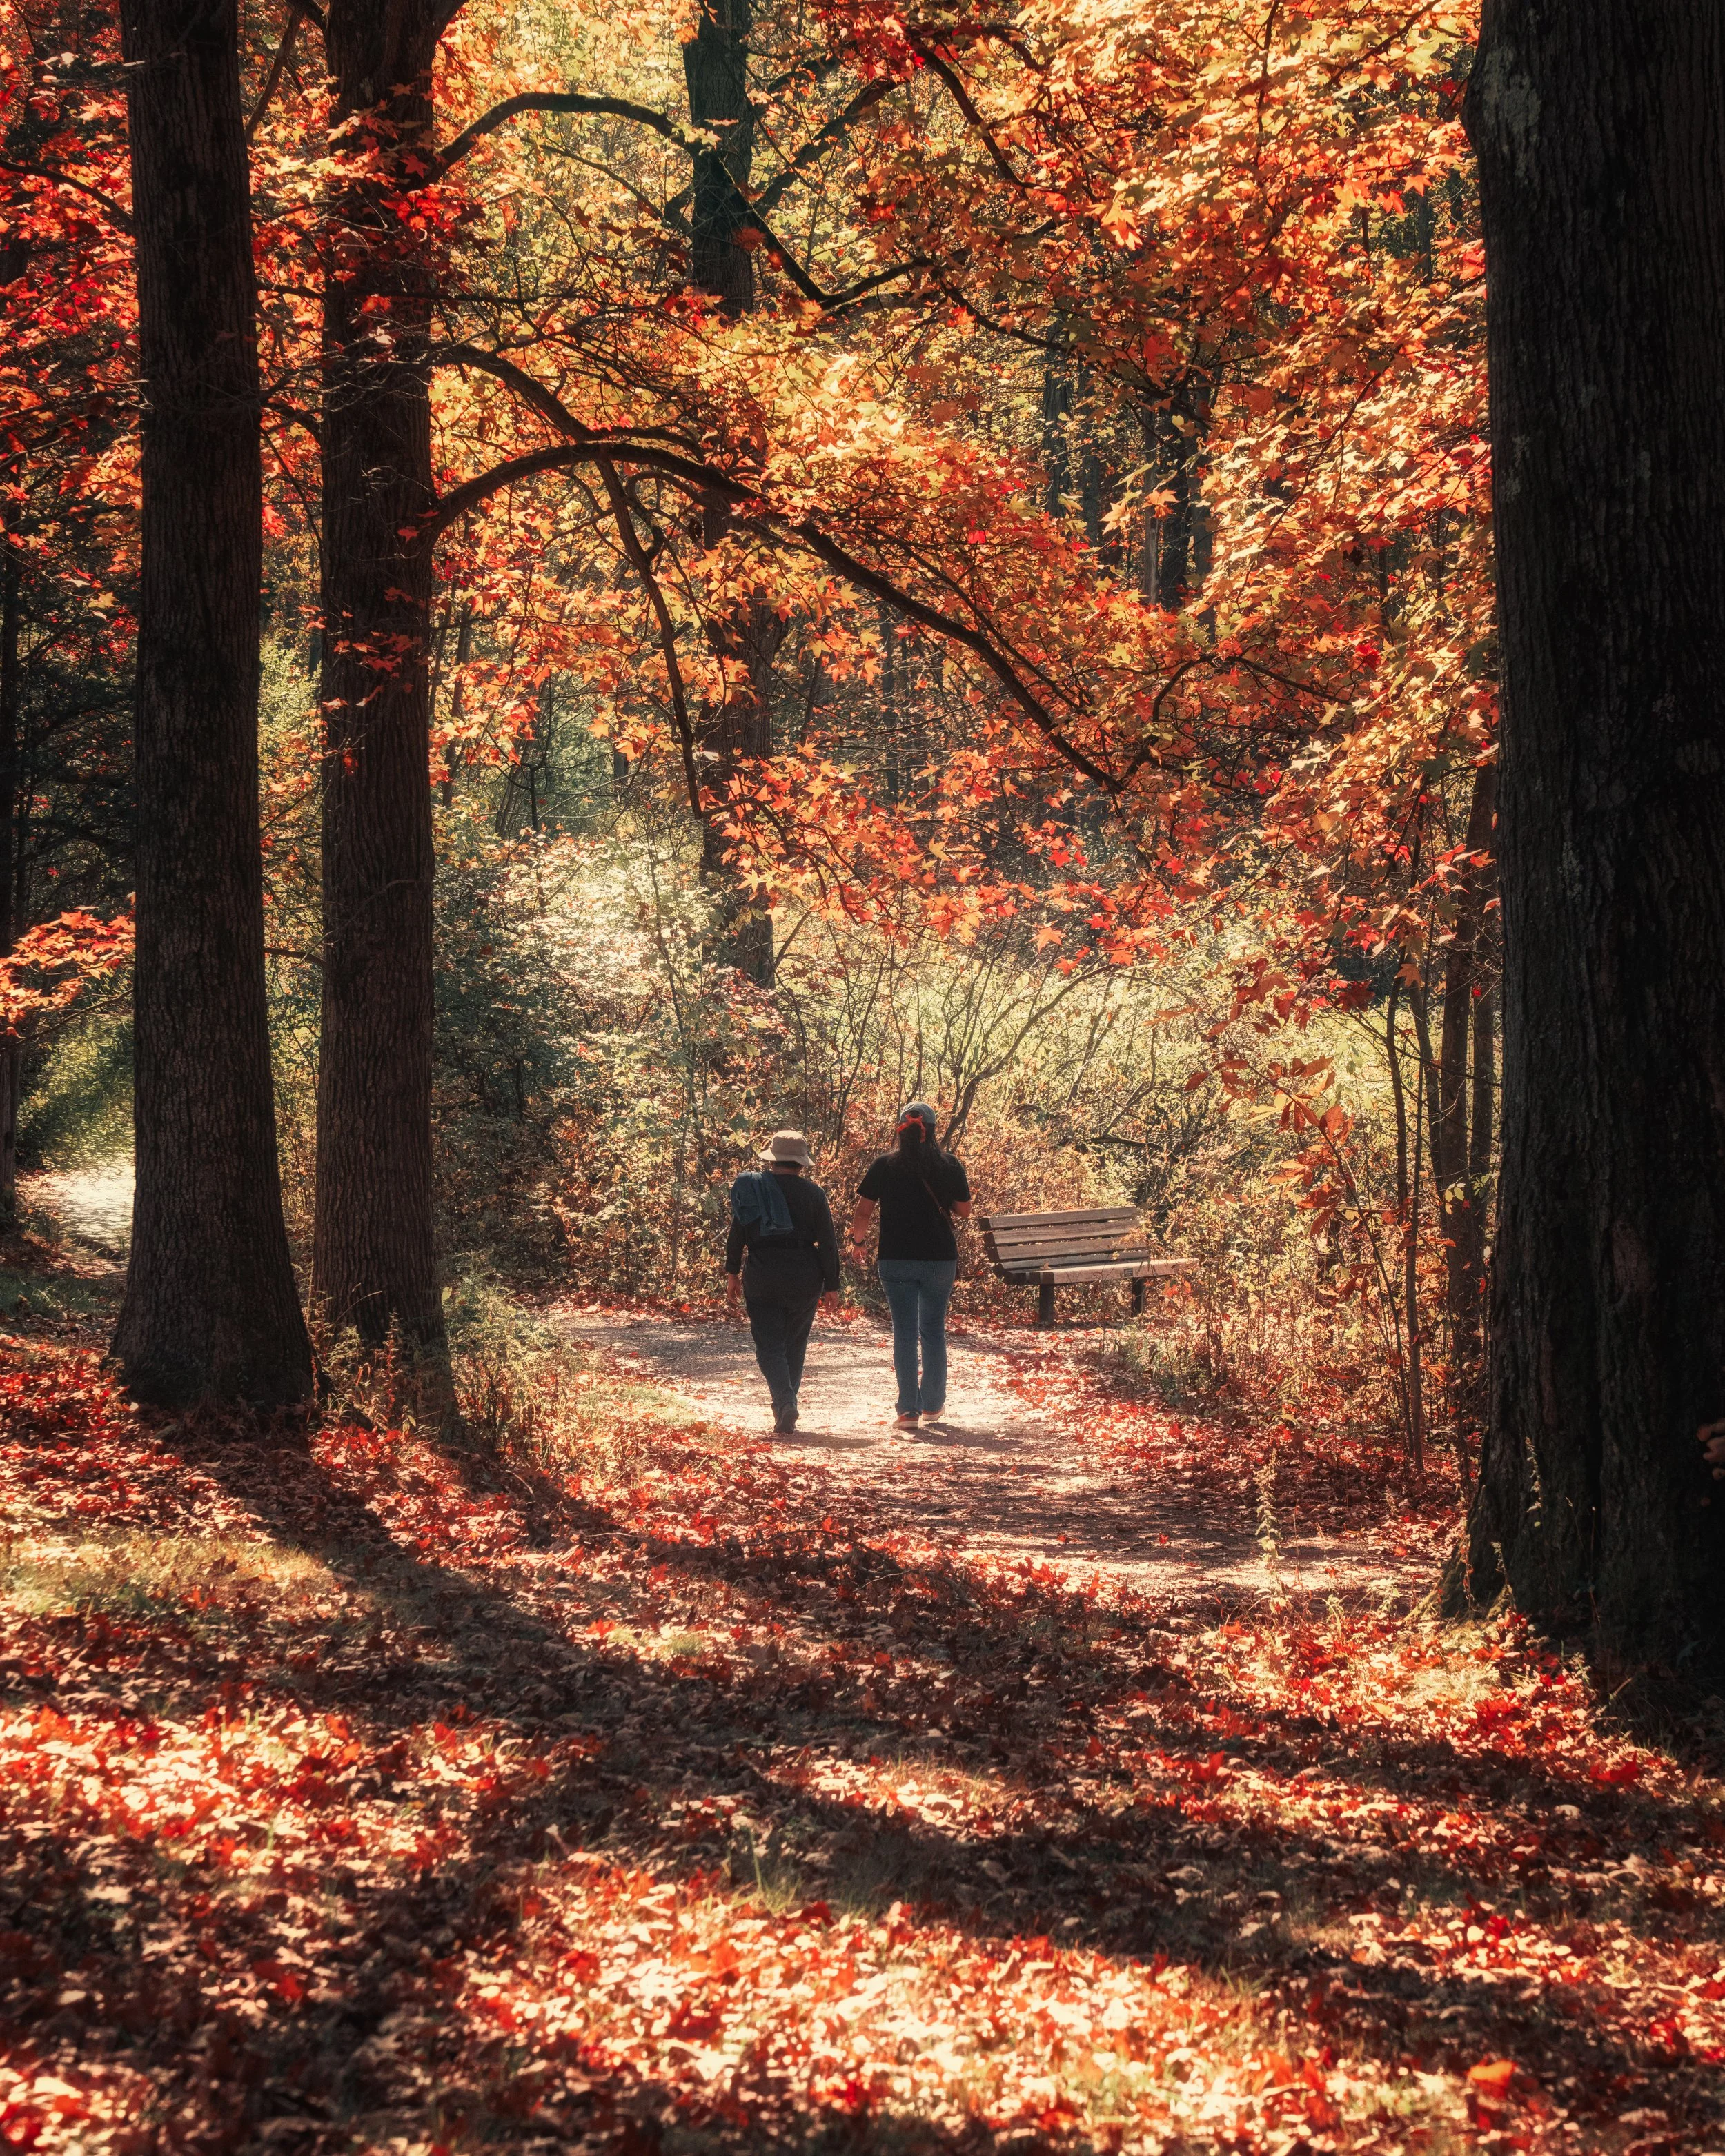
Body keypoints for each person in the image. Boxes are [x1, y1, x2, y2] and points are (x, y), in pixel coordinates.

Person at [849, 1102, 972, 1429]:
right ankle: (933, 1405)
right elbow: (964, 1211)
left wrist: (858, 1242)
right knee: (933, 1330)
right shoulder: (949, 1165)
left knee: (904, 1332)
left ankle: (908, 1411)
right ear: (932, 1130)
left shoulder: (884, 1165)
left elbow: (863, 1212)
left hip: (896, 1258)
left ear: (900, 1129)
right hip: (939, 1259)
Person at [725, 1129, 840, 1435]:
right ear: (801, 1163)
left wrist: (732, 1272)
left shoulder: (754, 1190)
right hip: (805, 1274)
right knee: (795, 1344)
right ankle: (785, 1406)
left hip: (763, 1272)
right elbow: (828, 1242)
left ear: (772, 1161)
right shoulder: (814, 1194)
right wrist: (832, 1285)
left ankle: (785, 1402)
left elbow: (738, 1233)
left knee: (769, 1346)